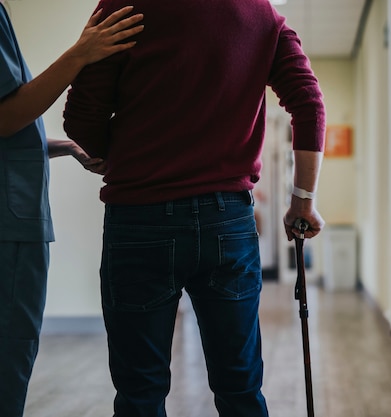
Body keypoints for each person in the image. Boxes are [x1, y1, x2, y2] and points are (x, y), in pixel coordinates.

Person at [63, 0, 326, 416]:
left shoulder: (124, 5)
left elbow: (81, 117)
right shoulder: (262, 14)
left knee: (140, 391)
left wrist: (116, 154)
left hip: (139, 219)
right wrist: (303, 201)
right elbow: (309, 102)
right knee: (240, 387)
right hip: (228, 222)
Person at [0, 3, 144, 416]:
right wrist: (80, 54)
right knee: (9, 359)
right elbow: (7, 118)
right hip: (10, 225)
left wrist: (65, 146)